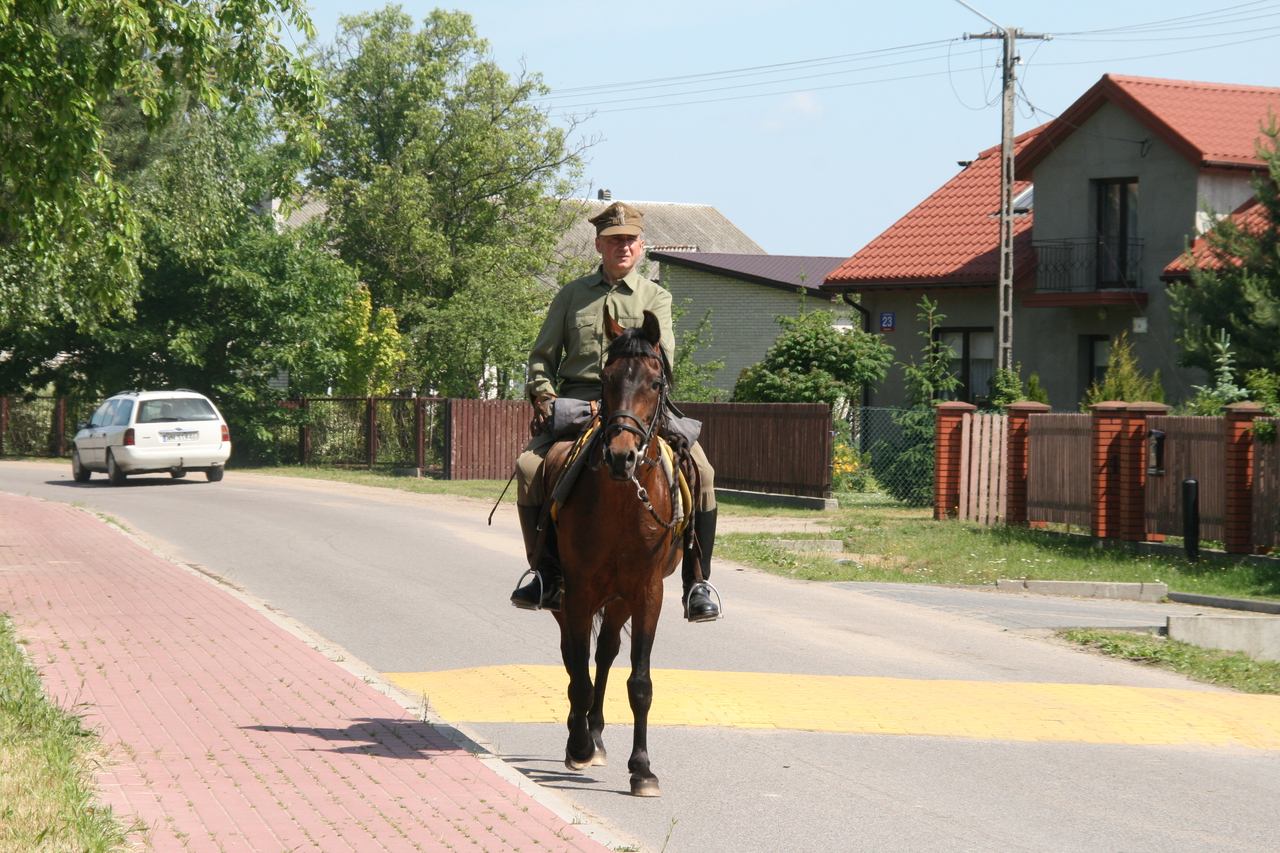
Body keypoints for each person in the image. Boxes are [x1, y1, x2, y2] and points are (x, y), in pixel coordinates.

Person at [511, 201, 720, 622]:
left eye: (629, 240)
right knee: (529, 468)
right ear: (598, 246)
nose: (622, 247)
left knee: (704, 472)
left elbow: (665, 358)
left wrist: (631, 399)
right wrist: (544, 396)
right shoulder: (571, 294)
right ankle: (545, 574)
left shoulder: (655, 296)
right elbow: (542, 356)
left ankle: (696, 582)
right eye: (613, 241)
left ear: (641, 246)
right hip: (577, 403)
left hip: (639, 405)